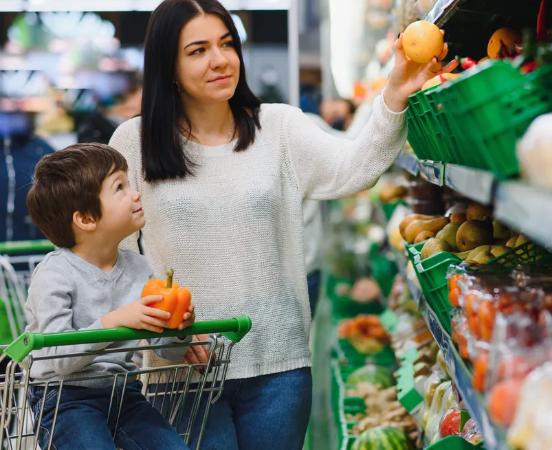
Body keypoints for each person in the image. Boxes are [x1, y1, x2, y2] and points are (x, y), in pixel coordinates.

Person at [108, 0, 455, 448]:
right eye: (197, 50)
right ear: (167, 66)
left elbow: (354, 166)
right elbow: (116, 255)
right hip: (181, 371)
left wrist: (393, 94)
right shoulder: (132, 143)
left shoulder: (279, 128)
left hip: (277, 369)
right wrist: (156, 331)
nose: (219, 60)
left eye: (227, 44)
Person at [23, 143, 196, 450]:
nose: (135, 193)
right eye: (120, 187)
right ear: (86, 219)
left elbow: (166, 352)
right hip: (65, 398)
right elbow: (56, 359)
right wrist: (115, 321)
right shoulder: (54, 274)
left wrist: (178, 328)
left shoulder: (140, 268)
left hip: (124, 393)